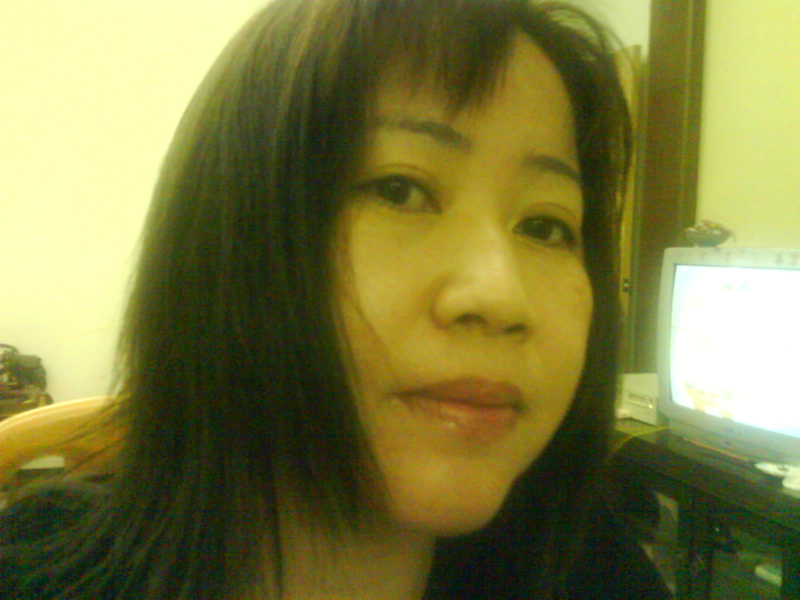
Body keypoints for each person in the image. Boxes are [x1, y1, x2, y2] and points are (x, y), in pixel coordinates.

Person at [0, 0, 671, 597]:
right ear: (229, 235)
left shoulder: (591, 570)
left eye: (547, 226)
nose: (501, 297)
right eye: (401, 190)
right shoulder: (36, 573)